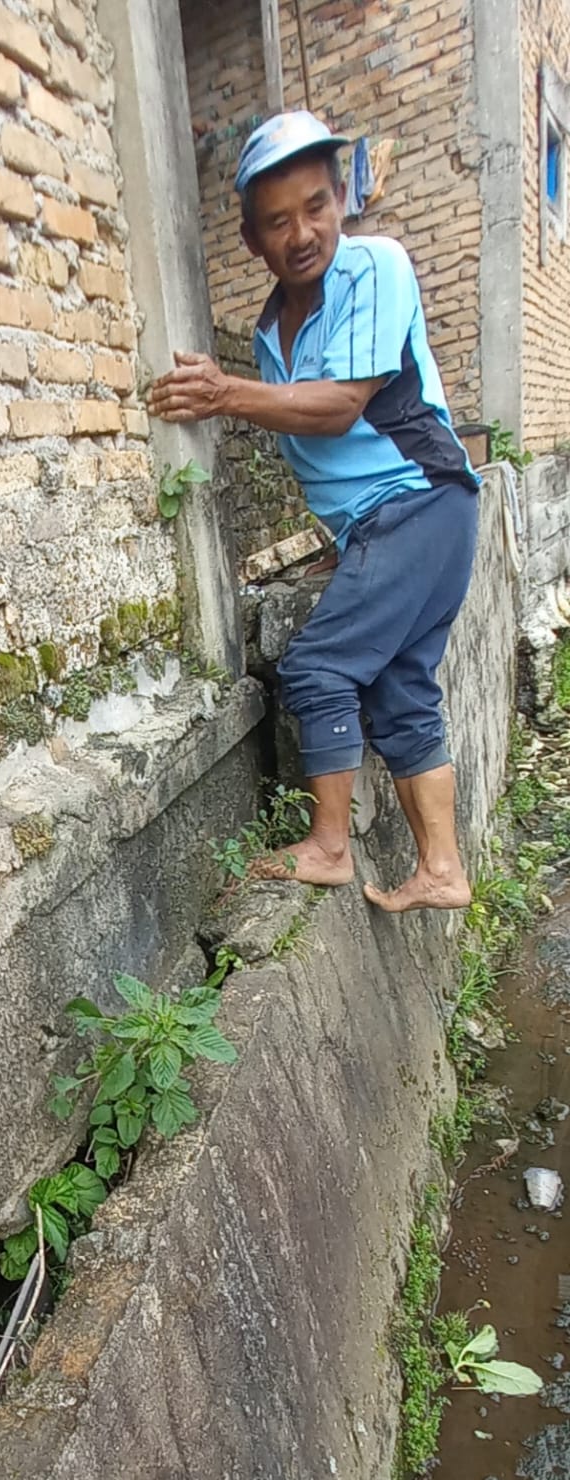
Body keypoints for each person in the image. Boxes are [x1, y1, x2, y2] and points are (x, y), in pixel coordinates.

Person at [148, 109, 481, 913]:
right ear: (251, 238)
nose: (302, 232)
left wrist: (226, 395)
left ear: (341, 198)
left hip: (422, 507)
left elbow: (337, 409)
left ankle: (329, 847)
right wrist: (350, 545)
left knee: (318, 667)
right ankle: (442, 870)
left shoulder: (376, 268)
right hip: (391, 526)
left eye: (315, 207)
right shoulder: (270, 332)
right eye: (277, 220)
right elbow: (321, 455)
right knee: (400, 690)